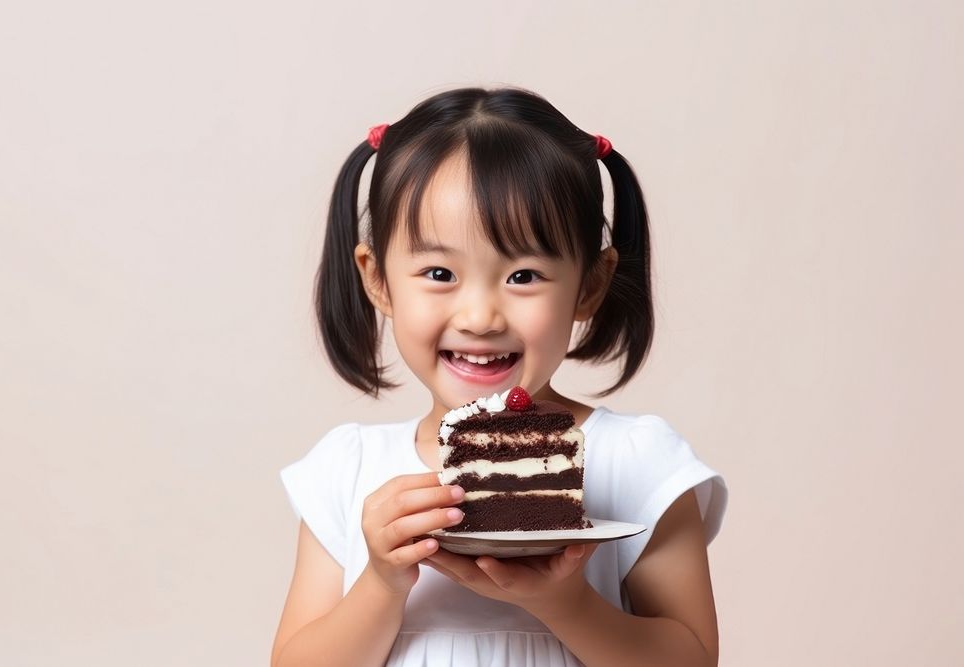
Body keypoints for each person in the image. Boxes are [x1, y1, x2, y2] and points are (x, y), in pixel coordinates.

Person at [271, 86, 728, 667]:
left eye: (524, 275)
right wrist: (382, 582)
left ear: (589, 284)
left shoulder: (639, 462)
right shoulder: (348, 470)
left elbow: (692, 660)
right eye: (439, 272)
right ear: (377, 278)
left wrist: (565, 602)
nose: (481, 317)